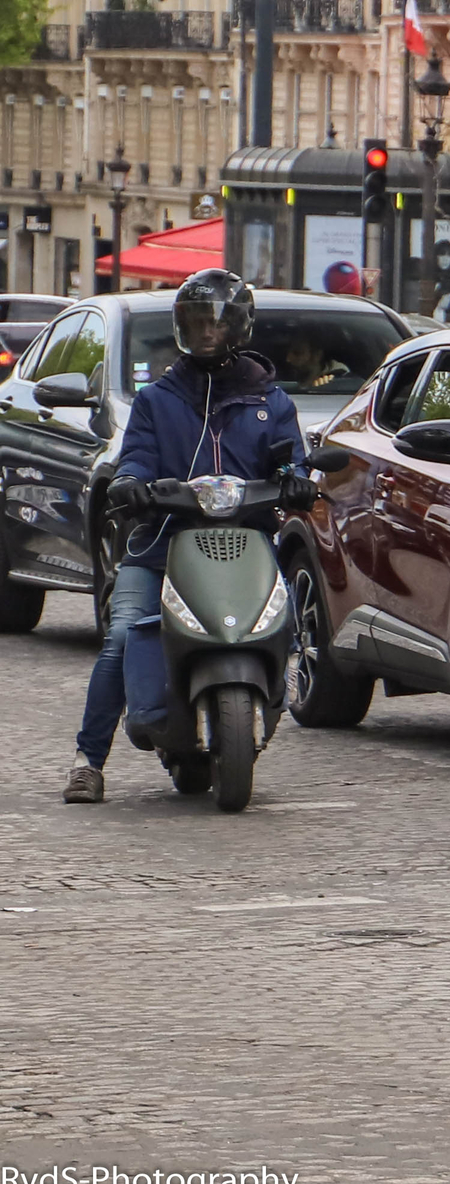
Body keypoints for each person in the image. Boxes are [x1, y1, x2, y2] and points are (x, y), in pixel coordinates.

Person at [63, 271, 309, 805]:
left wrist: (298, 475)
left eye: (216, 324)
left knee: (284, 617)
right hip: (159, 546)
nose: (205, 334)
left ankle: (271, 694)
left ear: (240, 328)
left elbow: (291, 453)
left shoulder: (270, 399)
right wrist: (131, 482)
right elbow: (138, 456)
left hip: (246, 545)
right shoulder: (157, 399)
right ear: (180, 328)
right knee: (124, 634)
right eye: (196, 324)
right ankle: (88, 760)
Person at [280, 335, 350, 390]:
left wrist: (327, 386)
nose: (288, 359)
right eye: (286, 352)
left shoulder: (340, 376)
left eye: (297, 353)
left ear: (316, 355)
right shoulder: (280, 374)